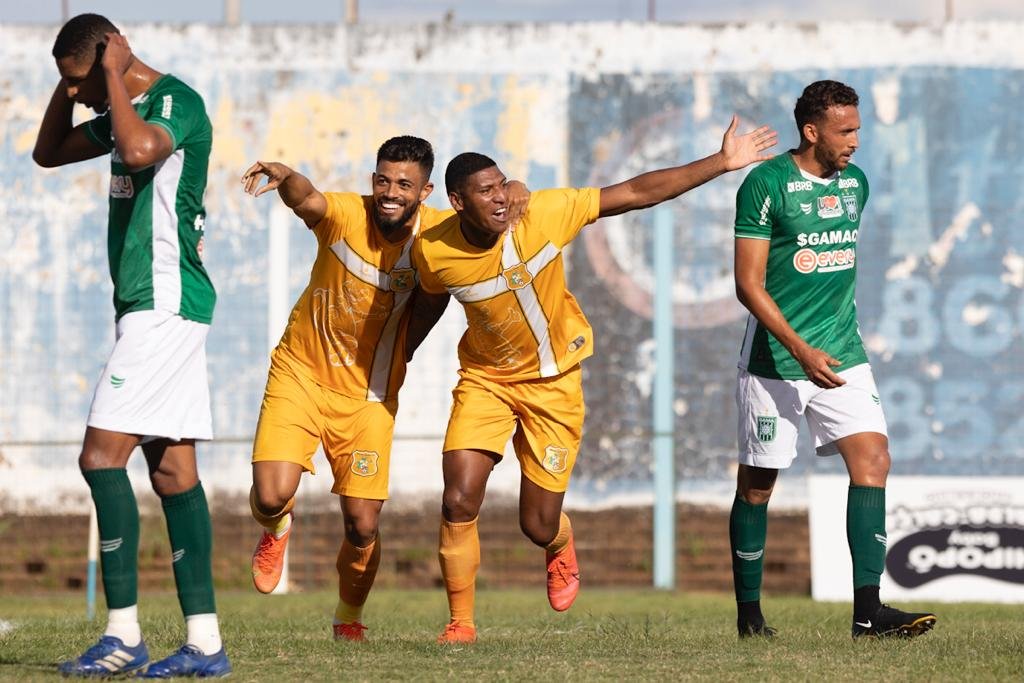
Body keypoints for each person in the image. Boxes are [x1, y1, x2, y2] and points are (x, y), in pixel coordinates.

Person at [411, 117, 777, 644]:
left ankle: (558, 544)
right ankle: (460, 624)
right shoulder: (433, 249)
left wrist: (720, 162)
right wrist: (395, 362)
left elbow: (635, 191)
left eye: (500, 185)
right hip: (486, 382)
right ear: (457, 201)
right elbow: (427, 302)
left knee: (536, 525)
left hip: (555, 386)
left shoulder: (544, 212)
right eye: (483, 192)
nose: (498, 199)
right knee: (458, 499)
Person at [241, 137, 528, 642]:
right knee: (271, 494)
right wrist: (287, 178)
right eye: (382, 180)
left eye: (403, 184)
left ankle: (347, 617)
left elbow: (490, 222)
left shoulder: (437, 233)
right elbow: (309, 199)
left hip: (370, 396)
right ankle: (276, 527)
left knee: (362, 525)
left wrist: (518, 190)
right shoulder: (345, 215)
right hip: (301, 375)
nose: (390, 192)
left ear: (426, 191)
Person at [32, 13, 229, 678]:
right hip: (150, 310)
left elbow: (144, 148)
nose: (78, 94)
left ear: (114, 56)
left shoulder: (174, 101)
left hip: (164, 305)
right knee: (173, 472)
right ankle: (204, 643)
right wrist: (70, 90)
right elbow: (48, 153)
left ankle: (122, 636)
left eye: (78, 80)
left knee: (99, 456)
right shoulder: (117, 107)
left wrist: (111, 75)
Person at [729, 80, 937, 639]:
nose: (856, 142)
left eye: (859, 129)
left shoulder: (855, 185)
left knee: (874, 460)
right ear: (811, 130)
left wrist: (823, 343)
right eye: (846, 131)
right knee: (757, 485)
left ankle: (868, 613)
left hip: (843, 351)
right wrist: (799, 346)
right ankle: (750, 615)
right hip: (776, 359)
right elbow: (748, 285)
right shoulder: (766, 183)